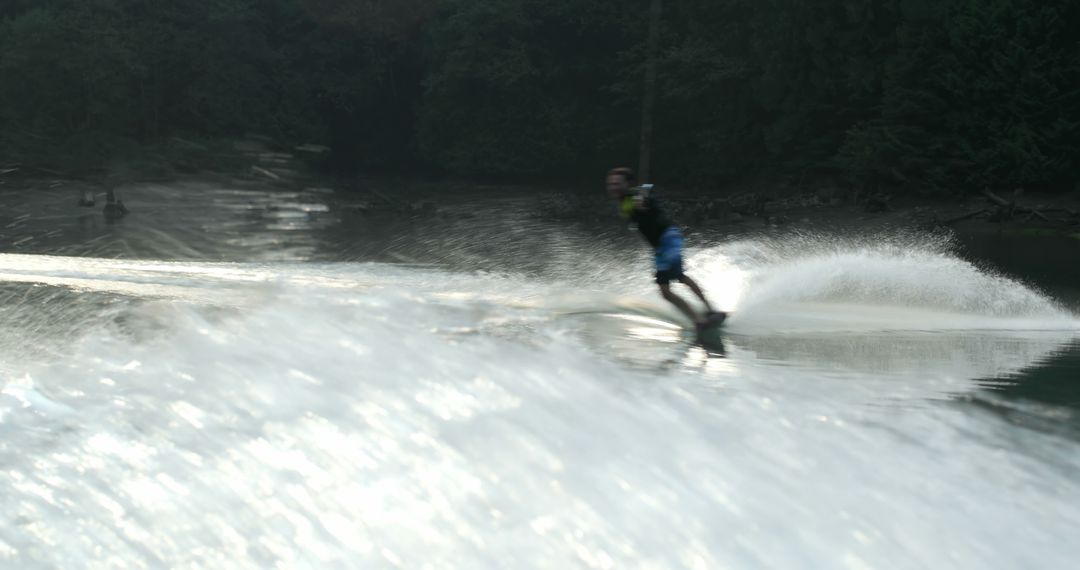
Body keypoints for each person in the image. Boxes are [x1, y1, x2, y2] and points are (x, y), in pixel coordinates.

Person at [606, 167, 724, 332]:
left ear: (628, 183)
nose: (613, 187)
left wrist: (643, 201)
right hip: (659, 247)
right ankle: (698, 319)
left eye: (617, 184)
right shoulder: (623, 203)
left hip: (669, 238)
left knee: (678, 276)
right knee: (665, 291)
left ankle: (710, 311)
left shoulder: (636, 195)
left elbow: (647, 193)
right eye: (611, 184)